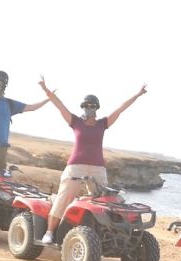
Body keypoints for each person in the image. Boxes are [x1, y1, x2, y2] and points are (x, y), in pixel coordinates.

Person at [37, 76, 148, 244]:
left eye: (93, 106)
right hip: (76, 166)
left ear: (97, 108)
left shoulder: (103, 124)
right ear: (82, 107)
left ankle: (99, 235)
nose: (90, 108)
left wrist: (137, 95)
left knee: (104, 202)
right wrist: (46, 89)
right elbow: (60, 107)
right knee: (64, 197)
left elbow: (120, 109)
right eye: (87, 105)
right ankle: (50, 232)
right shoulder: (75, 122)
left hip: (97, 169)